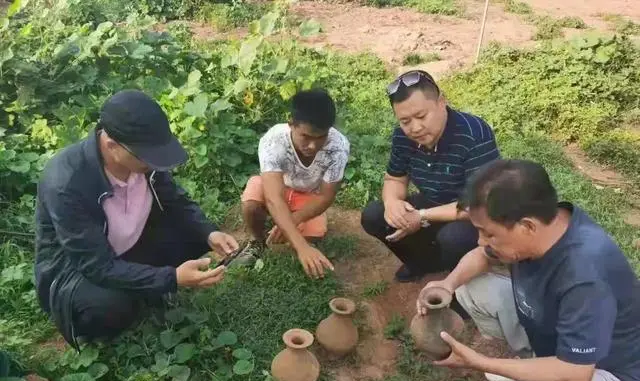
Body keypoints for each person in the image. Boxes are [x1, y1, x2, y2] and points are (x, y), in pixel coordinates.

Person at [418, 159, 640, 381]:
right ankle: (531, 362)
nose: (482, 241)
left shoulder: (585, 274)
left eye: (488, 233)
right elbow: (481, 255)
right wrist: (448, 283)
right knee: (470, 287)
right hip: (556, 336)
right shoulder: (540, 227)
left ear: (527, 226)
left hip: (604, 371)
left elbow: (576, 373)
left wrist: (479, 362)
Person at [34, 89, 239, 351]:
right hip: (80, 270)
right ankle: (126, 304)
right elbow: (96, 266)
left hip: (131, 245)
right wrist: (171, 278)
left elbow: (175, 201)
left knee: (194, 237)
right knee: (110, 307)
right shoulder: (66, 182)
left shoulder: (144, 164)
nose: (154, 163)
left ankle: (145, 285)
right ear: (111, 145)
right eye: (147, 157)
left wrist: (209, 233)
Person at [361, 70, 500, 282]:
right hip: (431, 202)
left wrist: (421, 216)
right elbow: (395, 178)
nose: (415, 128)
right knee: (374, 215)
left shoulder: (474, 134)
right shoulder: (402, 136)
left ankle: (461, 285)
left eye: (421, 116)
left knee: (454, 238)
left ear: (441, 102)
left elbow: (479, 204)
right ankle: (422, 263)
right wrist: (392, 203)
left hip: (473, 214)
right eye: (405, 121)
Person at [231, 88, 350, 279]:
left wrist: (292, 222)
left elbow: (326, 197)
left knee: (315, 234)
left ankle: (293, 236)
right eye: (306, 136)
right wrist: (301, 246)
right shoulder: (274, 140)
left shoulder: (338, 147)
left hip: (310, 196)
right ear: (291, 125)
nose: (312, 145)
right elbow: (273, 198)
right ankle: (257, 242)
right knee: (250, 202)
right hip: (278, 187)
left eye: (320, 137)